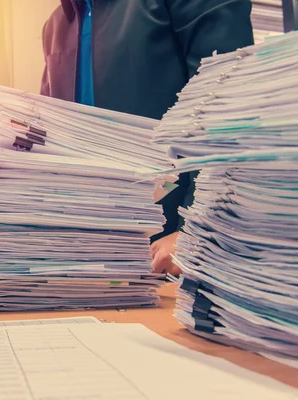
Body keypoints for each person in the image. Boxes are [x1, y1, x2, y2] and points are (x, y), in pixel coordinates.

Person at [39, 0, 254, 276]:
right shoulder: (57, 24)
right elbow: (57, 134)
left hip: (180, 248)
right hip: (97, 258)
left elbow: (230, 107)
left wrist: (198, 229)